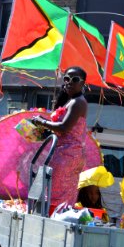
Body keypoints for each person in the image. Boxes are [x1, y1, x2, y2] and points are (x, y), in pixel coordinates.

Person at [32, 67, 88, 207]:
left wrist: (42, 122)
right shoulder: (70, 101)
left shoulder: (78, 102)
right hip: (63, 152)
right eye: (66, 79)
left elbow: (64, 128)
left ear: (82, 84)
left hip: (68, 155)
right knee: (52, 191)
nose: (69, 82)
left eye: (74, 79)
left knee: (56, 194)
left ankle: (54, 220)